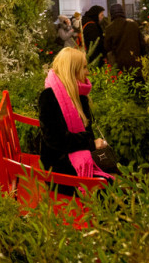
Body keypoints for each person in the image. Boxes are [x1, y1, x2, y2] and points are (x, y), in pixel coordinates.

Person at [38, 47, 112, 195]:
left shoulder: (80, 95)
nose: (88, 72)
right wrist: (91, 143)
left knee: (113, 173)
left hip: (76, 156)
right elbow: (56, 140)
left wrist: (92, 143)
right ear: (72, 70)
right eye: (84, 68)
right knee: (106, 188)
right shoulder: (49, 97)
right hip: (58, 166)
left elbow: (87, 132)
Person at [104, 3, 148, 74]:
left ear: (111, 14)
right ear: (122, 12)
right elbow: (142, 44)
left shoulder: (109, 28)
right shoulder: (133, 24)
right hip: (136, 62)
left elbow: (107, 47)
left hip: (120, 65)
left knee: (125, 83)